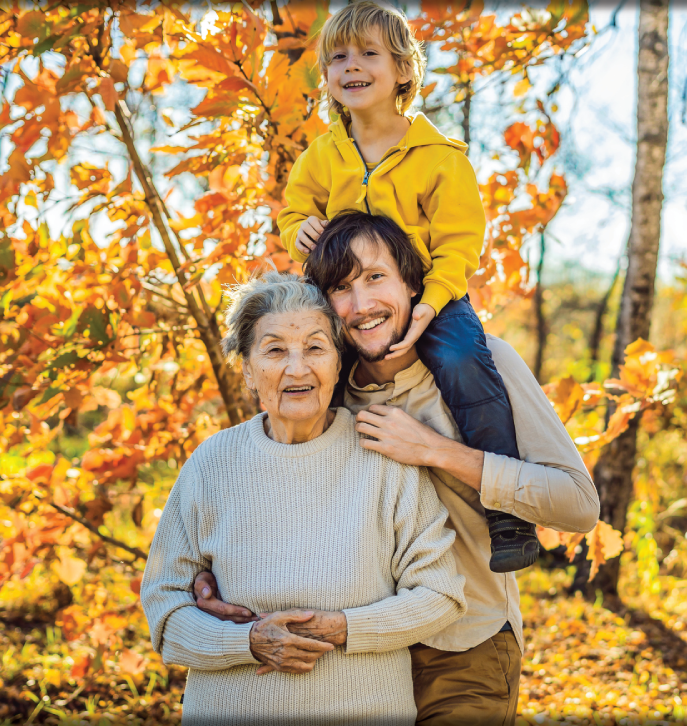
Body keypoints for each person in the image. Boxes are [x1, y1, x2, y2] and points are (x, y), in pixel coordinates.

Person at [198, 213, 601, 725]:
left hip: (464, 647)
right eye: (342, 288)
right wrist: (214, 574)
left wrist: (435, 450)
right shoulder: (324, 388)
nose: (363, 305)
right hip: (353, 656)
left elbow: (578, 505)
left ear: (412, 284)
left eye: (375, 277)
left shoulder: (485, 366)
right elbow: (272, 490)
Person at [276, 0, 540, 572]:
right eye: (339, 56)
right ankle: (293, 495)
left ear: (402, 70)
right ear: (326, 75)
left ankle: (508, 514)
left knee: (465, 361)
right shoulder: (324, 153)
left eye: (369, 54)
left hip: (430, 294)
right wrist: (300, 230)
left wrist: (432, 304)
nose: (352, 66)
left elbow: (460, 242)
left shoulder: (439, 157)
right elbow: (294, 209)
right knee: (298, 364)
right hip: (345, 298)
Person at [139, 272, 467, 725]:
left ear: (337, 363)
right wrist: (248, 641)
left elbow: (441, 594)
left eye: (315, 348)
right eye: (275, 350)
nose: (297, 368)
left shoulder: (384, 453)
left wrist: (344, 628)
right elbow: (165, 610)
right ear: (248, 370)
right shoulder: (211, 463)